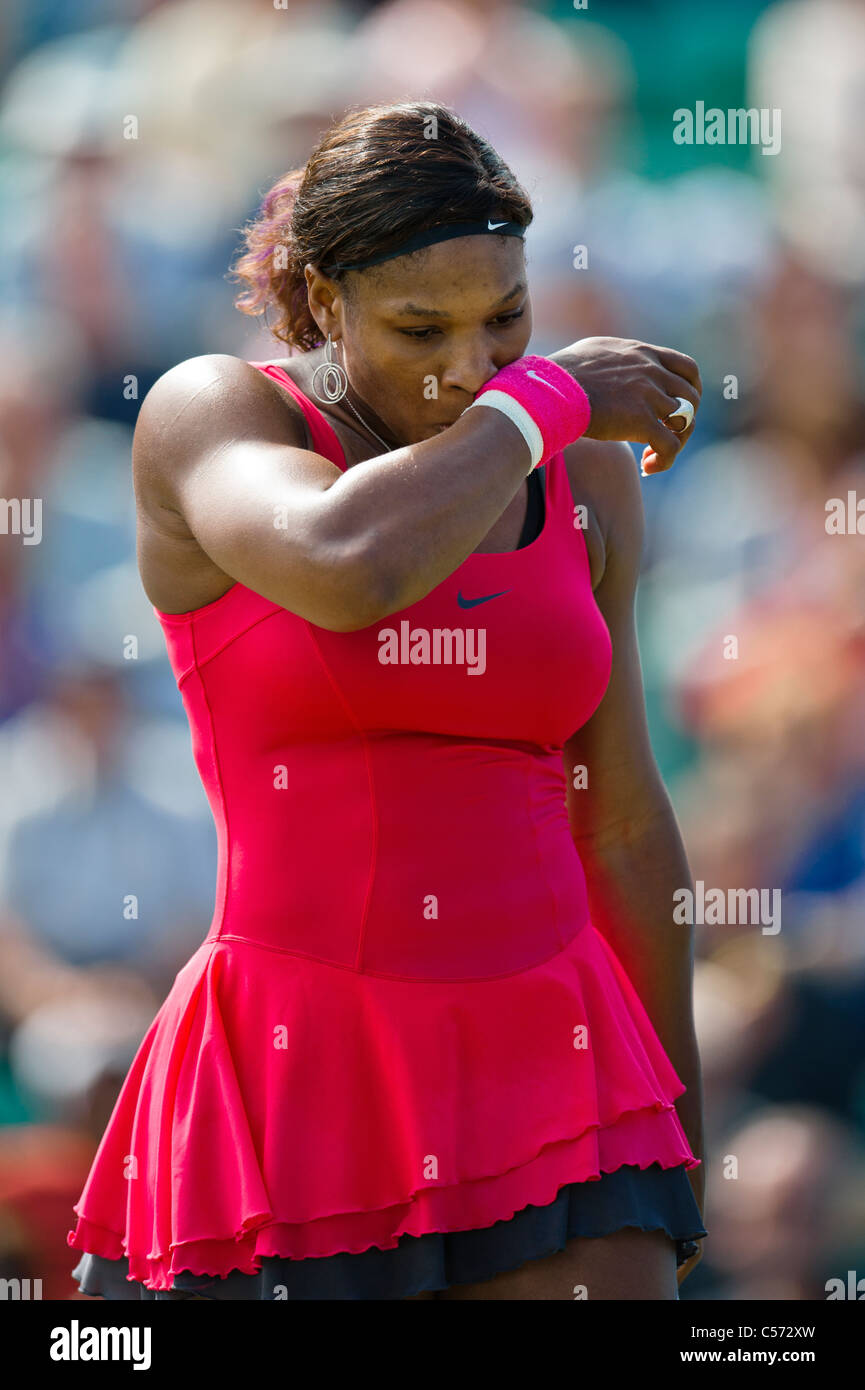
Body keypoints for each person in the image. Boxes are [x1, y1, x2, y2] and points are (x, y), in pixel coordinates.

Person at [67, 100, 706, 1301]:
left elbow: (619, 819)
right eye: (421, 328)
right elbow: (346, 567)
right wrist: (545, 402)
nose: (470, 368)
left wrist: (678, 1122)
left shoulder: (583, 475)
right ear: (319, 302)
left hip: (563, 1075)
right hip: (290, 1073)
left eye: (505, 319)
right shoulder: (213, 412)